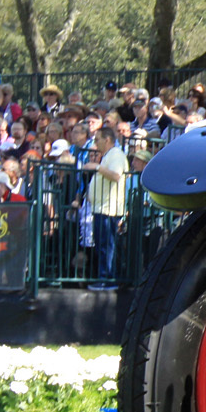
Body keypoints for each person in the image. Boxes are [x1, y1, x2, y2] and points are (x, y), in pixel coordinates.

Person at [88, 121, 129, 289]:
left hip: (109, 210)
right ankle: (105, 277)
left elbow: (116, 175)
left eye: (97, 139)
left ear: (107, 139)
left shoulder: (116, 154)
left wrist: (96, 167)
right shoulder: (108, 155)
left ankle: (107, 279)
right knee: (102, 245)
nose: (95, 143)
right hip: (102, 209)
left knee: (106, 245)